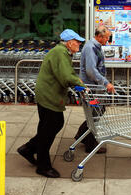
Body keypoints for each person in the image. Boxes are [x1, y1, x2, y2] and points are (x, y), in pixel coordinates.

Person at [17, 29, 85, 178]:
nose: (79, 44)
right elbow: (66, 76)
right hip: (48, 95)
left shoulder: (62, 52)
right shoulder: (60, 53)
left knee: (51, 125)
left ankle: (28, 149)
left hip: (48, 94)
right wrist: (79, 83)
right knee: (49, 128)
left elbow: (67, 73)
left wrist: (76, 81)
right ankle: (43, 166)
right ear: (69, 42)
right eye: (77, 41)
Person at [75, 25, 115, 153]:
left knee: (96, 111)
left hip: (94, 88)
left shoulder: (95, 46)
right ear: (99, 36)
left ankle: (81, 136)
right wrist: (106, 83)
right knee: (95, 113)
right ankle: (90, 144)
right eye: (107, 38)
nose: (108, 41)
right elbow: (91, 70)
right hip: (91, 88)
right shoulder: (91, 48)